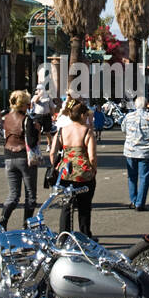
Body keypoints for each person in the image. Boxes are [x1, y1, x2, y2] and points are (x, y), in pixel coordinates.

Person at [50, 98, 97, 236]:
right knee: (84, 206)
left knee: (66, 205)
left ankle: (64, 235)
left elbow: (53, 152)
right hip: (83, 172)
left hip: (65, 171)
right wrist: (93, 170)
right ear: (82, 115)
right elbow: (92, 156)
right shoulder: (87, 131)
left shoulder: (62, 131)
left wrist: (56, 166)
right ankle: (85, 234)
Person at [0, 90, 42, 226]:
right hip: (24, 158)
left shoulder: (6, 117)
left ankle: (3, 221)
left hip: (8, 157)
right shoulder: (26, 120)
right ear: (23, 104)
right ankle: (26, 226)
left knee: (13, 195)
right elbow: (31, 142)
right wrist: (37, 130)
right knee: (30, 196)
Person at [121, 95, 149, 211]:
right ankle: (140, 203)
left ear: (135, 105)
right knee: (144, 177)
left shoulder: (128, 117)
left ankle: (133, 200)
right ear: (146, 105)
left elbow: (123, 130)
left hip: (130, 151)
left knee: (132, 177)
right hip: (145, 151)